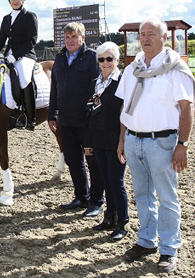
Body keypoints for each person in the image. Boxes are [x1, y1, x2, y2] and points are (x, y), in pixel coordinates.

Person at [116, 17, 195, 273]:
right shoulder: (132, 69)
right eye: (142, 34)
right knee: (142, 194)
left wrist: (182, 144)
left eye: (152, 33)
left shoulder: (175, 69)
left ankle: (169, 249)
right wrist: (122, 139)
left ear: (164, 38)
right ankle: (147, 240)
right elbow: (125, 107)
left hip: (162, 142)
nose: (146, 38)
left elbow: (187, 107)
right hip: (133, 140)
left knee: (166, 197)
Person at [48, 22, 104, 218]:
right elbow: (55, 87)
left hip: (86, 120)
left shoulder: (92, 58)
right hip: (65, 119)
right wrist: (52, 113)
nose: (70, 41)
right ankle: (82, 196)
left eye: (74, 37)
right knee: (73, 160)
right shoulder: (60, 58)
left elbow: (97, 90)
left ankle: (97, 201)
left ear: (82, 38)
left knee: (93, 162)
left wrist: (92, 116)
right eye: (67, 37)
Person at [83, 42, 129, 241]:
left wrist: (122, 142)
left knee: (116, 182)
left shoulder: (122, 83)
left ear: (117, 61)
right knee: (105, 181)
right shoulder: (95, 82)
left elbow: (124, 115)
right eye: (101, 59)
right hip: (98, 139)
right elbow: (89, 114)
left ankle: (122, 222)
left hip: (115, 140)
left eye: (110, 59)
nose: (105, 62)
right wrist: (88, 142)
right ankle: (109, 217)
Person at [0, 0, 38, 130]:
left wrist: (16, 56)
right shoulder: (6, 18)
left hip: (25, 55)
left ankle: (30, 118)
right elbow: (0, 41)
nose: (15, 1)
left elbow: (32, 40)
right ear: (9, 0)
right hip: (8, 55)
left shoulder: (29, 16)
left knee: (23, 78)